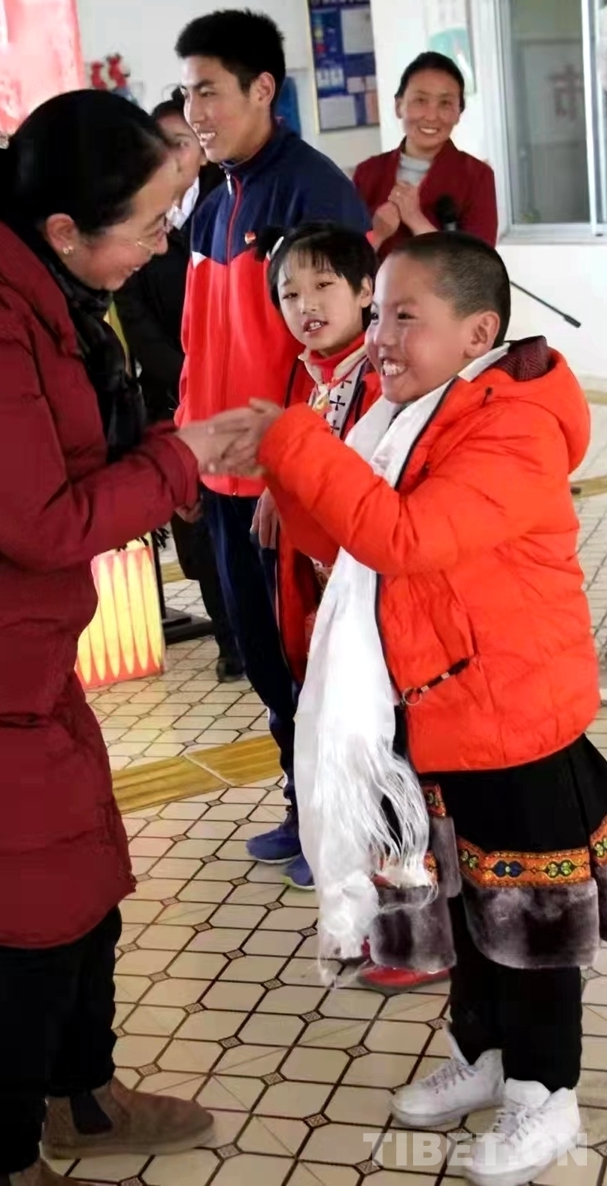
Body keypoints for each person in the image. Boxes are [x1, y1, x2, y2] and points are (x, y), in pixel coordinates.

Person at [0, 90, 255, 1186]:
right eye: (151, 226)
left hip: (8, 640)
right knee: (34, 913)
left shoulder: (23, 277)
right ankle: (0, 1160)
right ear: (66, 231)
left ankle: (85, 1099)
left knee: (86, 877)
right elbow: (39, 520)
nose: (162, 245)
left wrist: (169, 449)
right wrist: (182, 459)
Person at [223, 233, 601, 1186]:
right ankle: (484, 1056)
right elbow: (342, 542)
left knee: (527, 918)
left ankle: (546, 1094)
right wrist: (289, 466)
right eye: (379, 314)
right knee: (461, 907)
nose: (380, 337)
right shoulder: (408, 415)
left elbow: (405, 537)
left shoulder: (512, 424)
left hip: (510, 715)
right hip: (432, 713)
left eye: (405, 317)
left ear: (478, 330)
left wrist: (296, 442)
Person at [176, 8, 371, 888]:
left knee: (314, 657)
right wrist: (187, 453)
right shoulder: (213, 201)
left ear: (263, 88)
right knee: (261, 655)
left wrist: (289, 475)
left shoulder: (312, 191)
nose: (196, 111)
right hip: (223, 475)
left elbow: (339, 355)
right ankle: (303, 806)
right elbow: (198, 340)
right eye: (187, 93)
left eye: (208, 91)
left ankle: (347, 825)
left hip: (282, 484)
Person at [256, 221, 448, 992]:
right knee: (363, 766)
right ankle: (384, 922)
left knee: (395, 771)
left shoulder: (379, 381)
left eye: (323, 286)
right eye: (288, 293)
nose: (305, 305)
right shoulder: (317, 376)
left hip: (380, 614)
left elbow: (375, 503)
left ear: (365, 292)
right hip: (335, 602)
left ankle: (418, 937)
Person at [115, 90, 242, 682]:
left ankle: (253, 632)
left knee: (239, 520)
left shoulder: (228, 203)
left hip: (231, 389)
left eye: (184, 142)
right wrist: (184, 377)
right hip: (172, 393)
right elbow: (132, 311)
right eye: (162, 143)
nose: (174, 154)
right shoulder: (137, 210)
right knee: (196, 529)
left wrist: (213, 377)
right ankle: (228, 635)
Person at [355, 52, 497, 259]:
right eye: (420, 100)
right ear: (398, 106)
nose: (431, 116)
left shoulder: (477, 176)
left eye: (445, 103)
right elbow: (343, 264)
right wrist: (376, 235)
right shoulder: (368, 174)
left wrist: (416, 220)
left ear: (459, 113)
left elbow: (480, 266)